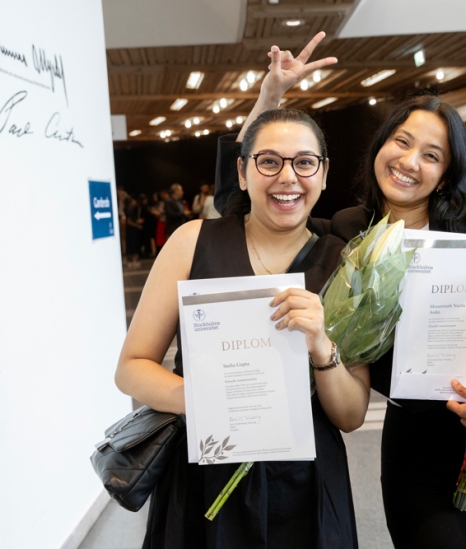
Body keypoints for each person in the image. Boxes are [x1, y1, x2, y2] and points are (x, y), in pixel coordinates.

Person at [215, 33, 466, 549]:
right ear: (380, 146)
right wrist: (269, 101)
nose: (409, 161)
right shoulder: (348, 231)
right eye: (401, 141)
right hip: (416, 457)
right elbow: (238, 204)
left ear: (445, 175)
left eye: (431, 154)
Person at [115, 108, 369, 548]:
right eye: (269, 161)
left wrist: (321, 346)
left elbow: (350, 417)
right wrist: (209, 402)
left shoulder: (346, 262)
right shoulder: (193, 242)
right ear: (243, 170)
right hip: (205, 472)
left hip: (305, 483)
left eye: (304, 162)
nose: (287, 177)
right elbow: (131, 368)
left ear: (324, 174)